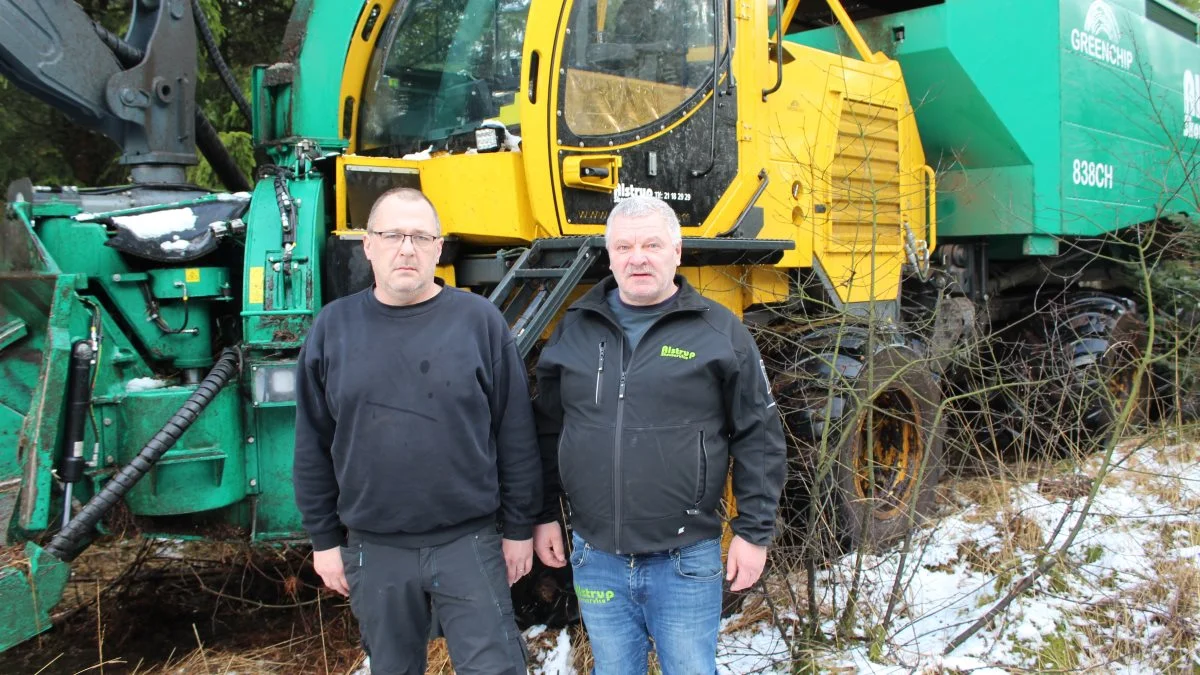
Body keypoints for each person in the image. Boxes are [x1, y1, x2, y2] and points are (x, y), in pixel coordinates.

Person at [531, 195, 787, 674]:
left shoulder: (719, 332)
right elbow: (547, 431)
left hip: (685, 559)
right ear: (609, 256)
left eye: (652, 244)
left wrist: (753, 533)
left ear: (677, 251)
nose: (638, 257)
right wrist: (544, 514)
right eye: (624, 246)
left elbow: (759, 436)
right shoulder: (575, 331)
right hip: (597, 554)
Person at [293, 187, 540, 675]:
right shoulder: (333, 328)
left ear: (439, 247)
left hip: (468, 543)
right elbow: (312, 445)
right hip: (375, 547)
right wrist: (323, 540)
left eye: (420, 237)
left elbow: (515, 433)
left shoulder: (479, 322)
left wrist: (518, 528)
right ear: (368, 245)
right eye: (392, 235)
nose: (406, 248)